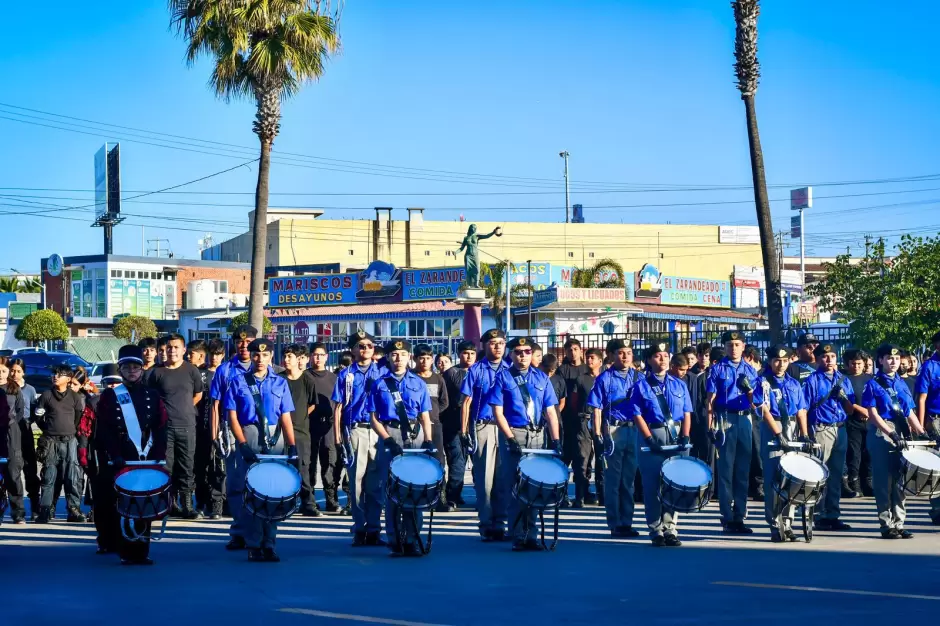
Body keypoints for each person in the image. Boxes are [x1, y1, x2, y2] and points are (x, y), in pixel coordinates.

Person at [224, 339, 297, 562]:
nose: (260, 359)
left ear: (270, 357)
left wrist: (292, 446)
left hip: (275, 438)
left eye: (265, 356)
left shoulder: (280, 382)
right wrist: (243, 444)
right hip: (250, 434)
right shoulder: (237, 381)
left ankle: (269, 543)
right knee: (252, 491)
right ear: (251, 355)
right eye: (256, 355)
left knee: (273, 493)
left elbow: (285, 415)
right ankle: (253, 544)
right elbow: (232, 417)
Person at [93, 346, 168, 564]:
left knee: (143, 503)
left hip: (146, 456)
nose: (132, 371)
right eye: (127, 368)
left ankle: (141, 550)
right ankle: (124, 547)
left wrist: (160, 456)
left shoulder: (152, 395)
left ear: (142, 370)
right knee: (121, 503)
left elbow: (161, 426)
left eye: (136, 367)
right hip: (121, 456)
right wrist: (114, 454)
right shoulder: (110, 395)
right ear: (121, 370)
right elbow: (105, 429)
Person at [487, 336, 561, 551]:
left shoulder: (541, 378)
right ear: (511, 355)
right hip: (515, 433)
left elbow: (550, 411)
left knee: (535, 486)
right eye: (518, 352)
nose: (522, 355)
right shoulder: (503, 378)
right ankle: (519, 534)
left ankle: (533, 534)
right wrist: (509, 438)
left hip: (537, 435)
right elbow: (497, 412)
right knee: (516, 486)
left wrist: (555, 440)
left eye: (527, 351)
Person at [368, 340, 435, 556]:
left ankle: (413, 538)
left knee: (415, 490)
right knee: (392, 491)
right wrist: (387, 438)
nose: (398, 359)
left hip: (415, 436)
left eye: (403, 354)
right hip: (391, 434)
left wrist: (429, 440)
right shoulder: (379, 384)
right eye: (394, 355)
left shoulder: (418, 383)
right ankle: (395, 539)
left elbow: (425, 415)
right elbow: (373, 418)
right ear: (388, 357)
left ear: (409, 358)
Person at [629, 342, 693, 546]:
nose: (663, 359)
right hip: (653, 433)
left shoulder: (679, 384)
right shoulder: (641, 385)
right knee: (652, 485)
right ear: (649, 360)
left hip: (675, 435)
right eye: (657, 356)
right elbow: (637, 415)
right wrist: (648, 438)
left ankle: (671, 528)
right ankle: (656, 529)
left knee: (673, 484)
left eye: (665, 355)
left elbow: (686, 412)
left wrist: (685, 435)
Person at [863, 343, 927, 539]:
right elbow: (872, 414)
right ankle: (886, 524)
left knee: (900, 481)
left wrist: (921, 432)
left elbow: (909, 413)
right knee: (884, 481)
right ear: (880, 360)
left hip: (902, 432)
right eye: (889, 358)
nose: (893, 362)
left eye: (897, 358)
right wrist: (891, 433)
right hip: (883, 432)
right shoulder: (873, 384)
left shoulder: (901, 383)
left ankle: (899, 523)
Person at [333, 331, 388, 547]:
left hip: (378, 430)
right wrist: (338, 436)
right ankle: (359, 528)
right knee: (356, 483)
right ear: (353, 350)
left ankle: (374, 529)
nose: (365, 349)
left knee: (376, 484)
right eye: (360, 346)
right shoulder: (346, 375)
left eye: (369, 346)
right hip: (355, 430)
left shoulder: (383, 373)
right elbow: (338, 407)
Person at [752, 345, 809, 542]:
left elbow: (801, 409)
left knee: (792, 479)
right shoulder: (762, 382)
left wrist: (805, 434)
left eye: (785, 361)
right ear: (769, 361)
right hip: (773, 426)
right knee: (774, 479)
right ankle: (776, 525)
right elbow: (763, 409)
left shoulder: (793, 383)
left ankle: (788, 523)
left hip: (791, 426)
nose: (781, 364)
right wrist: (778, 435)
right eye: (777, 360)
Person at [705, 330, 759, 534]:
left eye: (737, 344)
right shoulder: (717, 369)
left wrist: (750, 392)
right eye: (730, 344)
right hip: (724, 417)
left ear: (743, 346)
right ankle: (727, 516)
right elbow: (709, 400)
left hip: (745, 418)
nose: (734, 348)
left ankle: (740, 514)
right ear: (725, 347)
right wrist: (710, 425)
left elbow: (757, 400)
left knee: (743, 468)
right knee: (726, 468)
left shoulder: (751, 371)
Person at [588, 338, 642, 538]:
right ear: (612, 355)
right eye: (621, 352)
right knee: (613, 479)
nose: (625, 356)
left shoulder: (639, 378)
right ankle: (615, 522)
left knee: (628, 480)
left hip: (634, 430)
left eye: (628, 352)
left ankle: (627, 522)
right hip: (613, 430)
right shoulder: (604, 379)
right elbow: (597, 409)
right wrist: (598, 435)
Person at [149, 333, 205, 520]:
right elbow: (151, 400)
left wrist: (185, 408)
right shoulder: (156, 372)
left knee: (187, 467)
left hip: (187, 425)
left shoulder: (192, 370)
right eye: (169, 347)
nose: (172, 350)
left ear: (183, 350)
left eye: (176, 347)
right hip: (164, 428)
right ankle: (169, 505)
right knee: (166, 467)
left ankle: (188, 505)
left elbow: (198, 395)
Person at [461, 329, 509, 541]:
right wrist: (464, 431)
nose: (497, 346)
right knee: (485, 479)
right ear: (483, 346)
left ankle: (501, 522)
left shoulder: (512, 369)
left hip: (508, 429)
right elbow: (466, 403)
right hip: (484, 427)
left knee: (504, 478)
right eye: (492, 343)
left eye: (500, 343)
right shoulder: (476, 370)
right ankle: (487, 524)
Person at [802, 343, 855, 531]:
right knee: (819, 473)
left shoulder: (843, 379)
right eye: (825, 357)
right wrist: (807, 433)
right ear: (817, 359)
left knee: (836, 474)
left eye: (832, 356)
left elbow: (850, 410)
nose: (830, 360)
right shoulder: (812, 381)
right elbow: (805, 409)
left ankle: (832, 514)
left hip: (840, 428)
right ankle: (816, 513)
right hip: (821, 429)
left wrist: (843, 398)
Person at [212, 325, 258, 530]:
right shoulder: (225, 370)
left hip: (258, 430)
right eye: (240, 342)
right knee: (235, 481)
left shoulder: (265, 368)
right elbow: (215, 404)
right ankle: (239, 528)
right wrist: (214, 434)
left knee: (257, 481)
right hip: (231, 430)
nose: (244, 346)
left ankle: (257, 527)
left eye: (248, 341)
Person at [34, 364, 85, 524]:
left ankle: (73, 509)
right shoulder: (46, 395)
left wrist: (68, 431)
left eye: (59, 374)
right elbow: (39, 418)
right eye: (54, 373)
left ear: (68, 378)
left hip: (70, 440)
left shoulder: (75, 397)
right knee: (48, 477)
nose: (55, 376)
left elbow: (77, 419)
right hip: (50, 442)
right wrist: (49, 431)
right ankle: (46, 510)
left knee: (72, 477)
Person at [280, 344, 318, 517]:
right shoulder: (278, 379)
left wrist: (299, 417)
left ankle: (308, 502)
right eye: (285, 356)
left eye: (290, 356)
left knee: (303, 467)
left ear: (299, 359)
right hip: (280, 432)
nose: (287, 360)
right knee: (284, 467)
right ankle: (285, 502)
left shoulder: (307, 379)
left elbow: (311, 404)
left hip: (301, 431)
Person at [412, 343, 450, 512]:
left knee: (438, 461)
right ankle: (417, 496)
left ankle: (439, 496)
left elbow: (444, 402)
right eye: (421, 358)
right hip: (413, 428)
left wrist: (432, 414)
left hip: (435, 426)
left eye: (428, 358)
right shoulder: (410, 377)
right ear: (415, 359)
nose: (425, 361)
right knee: (416, 462)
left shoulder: (438, 379)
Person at [307, 342, 342, 514]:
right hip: (309, 426)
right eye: (314, 354)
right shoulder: (305, 376)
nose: (318, 358)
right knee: (310, 464)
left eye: (321, 354)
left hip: (329, 426)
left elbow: (339, 405)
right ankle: (309, 500)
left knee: (330, 463)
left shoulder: (334, 378)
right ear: (309, 357)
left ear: (327, 357)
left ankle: (331, 500)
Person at [195, 339, 226, 519]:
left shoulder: (227, 372)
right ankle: (201, 501)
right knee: (201, 466)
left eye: (218, 354)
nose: (214, 357)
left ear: (223, 355)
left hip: (222, 427)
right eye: (212, 354)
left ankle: (218, 503)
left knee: (219, 467)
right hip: (200, 425)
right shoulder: (200, 373)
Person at [441, 340, 474, 509]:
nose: (468, 357)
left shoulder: (479, 371)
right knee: (457, 461)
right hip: (453, 423)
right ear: (459, 354)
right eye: (465, 353)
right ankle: (452, 496)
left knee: (475, 461)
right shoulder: (451, 372)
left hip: (475, 423)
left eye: (472, 353)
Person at [558, 338, 591, 502]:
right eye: (569, 350)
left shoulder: (586, 369)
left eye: (575, 349)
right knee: (565, 457)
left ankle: (583, 494)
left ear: (581, 351)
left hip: (584, 420)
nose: (573, 352)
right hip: (566, 419)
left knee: (584, 459)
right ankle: (561, 494)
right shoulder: (562, 370)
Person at [571, 348, 603, 508]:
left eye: (592, 358)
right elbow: (574, 401)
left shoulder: (605, 378)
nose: (589, 361)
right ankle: (580, 496)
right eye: (587, 358)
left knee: (602, 458)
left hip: (602, 421)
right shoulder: (580, 379)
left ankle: (602, 496)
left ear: (600, 361)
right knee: (582, 458)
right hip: (584, 420)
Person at [9, 359, 39, 519]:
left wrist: (29, 421)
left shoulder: (30, 390)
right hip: (10, 434)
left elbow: (34, 410)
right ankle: (17, 510)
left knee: (31, 472)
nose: (15, 374)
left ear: (24, 372)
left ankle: (35, 507)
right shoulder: (5, 389)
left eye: (18, 371)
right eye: (12, 370)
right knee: (13, 472)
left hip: (25, 431)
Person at [915, 331, 940, 524]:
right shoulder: (929, 367)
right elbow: (921, 398)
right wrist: (922, 427)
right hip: (936, 418)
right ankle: (937, 508)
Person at [71, 367, 99, 523]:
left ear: (81, 385)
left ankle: (94, 509)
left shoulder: (86, 399)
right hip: (72, 438)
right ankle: (74, 508)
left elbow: (86, 426)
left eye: (74, 384)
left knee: (89, 477)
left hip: (84, 441)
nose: (71, 387)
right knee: (75, 478)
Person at [843, 349, 872, 499]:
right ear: (848, 364)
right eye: (853, 363)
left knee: (868, 453)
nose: (856, 366)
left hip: (870, 421)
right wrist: (860, 410)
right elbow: (845, 400)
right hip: (852, 421)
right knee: (854, 454)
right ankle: (854, 483)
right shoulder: (844, 379)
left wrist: (870, 412)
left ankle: (868, 482)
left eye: (859, 363)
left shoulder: (870, 379)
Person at [0, 357, 26, 524]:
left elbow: (20, 412)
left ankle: (18, 513)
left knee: (13, 473)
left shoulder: (14, 389)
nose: (0, 374)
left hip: (11, 434)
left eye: (2, 371)